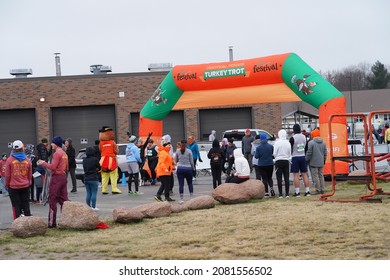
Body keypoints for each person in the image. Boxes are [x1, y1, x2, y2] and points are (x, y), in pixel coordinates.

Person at [37, 136, 69, 228]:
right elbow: (66, 168)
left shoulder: (56, 154)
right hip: (63, 177)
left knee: (52, 199)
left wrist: (43, 163)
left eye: (52, 143)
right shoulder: (64, 154)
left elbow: (53, 167)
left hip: (56, 178)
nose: (51, 144)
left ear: (56, 144)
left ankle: (52, 222)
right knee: (64, 200)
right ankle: (65, 220)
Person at [5, 140, 33, 219]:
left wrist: (7, 184)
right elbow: (29, 174)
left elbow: (7, 175)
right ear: (22, 148)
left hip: (13, 187)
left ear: (13, 149)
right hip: (25, 186)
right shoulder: (27, 160)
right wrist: (27, 182)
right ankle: (28, 222)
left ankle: (17, 223)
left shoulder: (9, 160)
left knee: (15, 206)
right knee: (26, 205)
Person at [289, 124, 311, 197]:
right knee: (304, 173)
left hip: (295, 157)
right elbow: (306, 148)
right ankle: (307, 191)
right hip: (302, 156)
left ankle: (297, 192)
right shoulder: (304, 137)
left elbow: (290, 148)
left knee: (295, 174)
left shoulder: (292, 138)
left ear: (294, 130)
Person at [306, 128, 327, 195]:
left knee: (315, 176)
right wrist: (324, 160)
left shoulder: (311, 143)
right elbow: (325, 153)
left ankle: (317, 189)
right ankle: (323, 189)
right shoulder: (323, 143)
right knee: (321, 176)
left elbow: (309, 152)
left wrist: (307, 159)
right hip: (321, 161)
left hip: (313, 162)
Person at [255, 133, 275, 198]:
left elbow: (256, 156)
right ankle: (271, 188)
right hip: (270, 164)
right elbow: (273, 154)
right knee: (269, 177)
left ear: (260, 139)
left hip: (262, 165)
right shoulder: (271, 146)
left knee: (264, 179)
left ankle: (266, 192)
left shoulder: (258, 147)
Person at [273, 129, 291, 198]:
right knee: (286, 178)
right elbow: (289, 153)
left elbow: (274, 153)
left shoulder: (277, 143)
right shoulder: (288, 142)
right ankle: (287, 193)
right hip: (286, 161)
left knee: (279, 178)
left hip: (278, 161)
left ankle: (280, 194)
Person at [83, 146, 101, 210]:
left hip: (86, 178)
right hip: (93, 178)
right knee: (94, 193)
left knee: (88, 193)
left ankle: (88, 207)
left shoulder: (84, 160)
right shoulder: (95, 159)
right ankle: (93, 207)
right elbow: (99, 167)